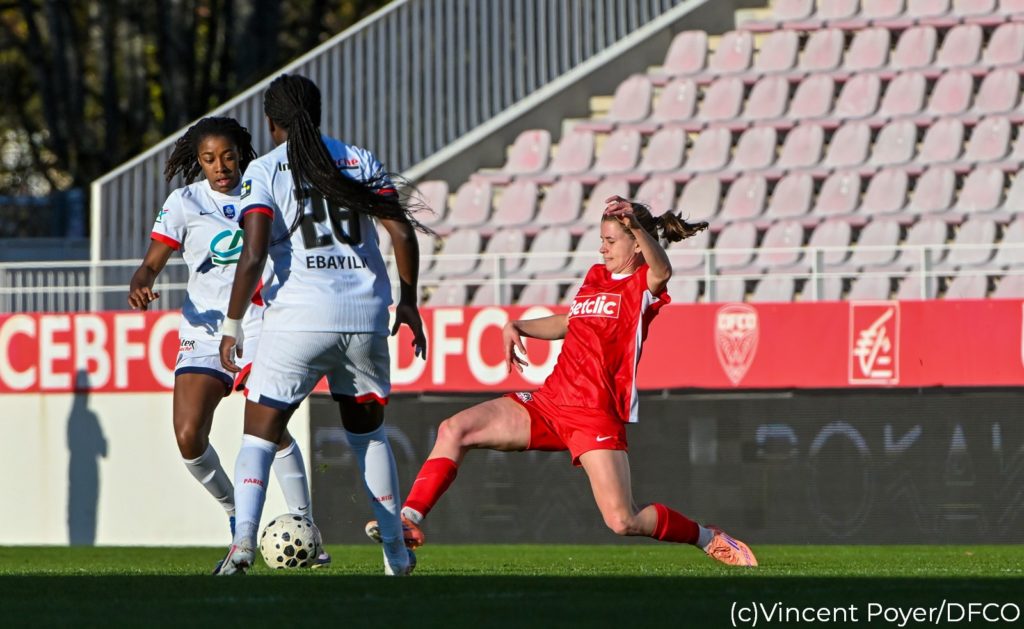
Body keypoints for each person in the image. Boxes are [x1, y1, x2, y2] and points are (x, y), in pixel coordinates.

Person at [368, 196, 757, 567]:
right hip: (550, 402)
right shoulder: (595, 276)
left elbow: (663, 271)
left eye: (610, 241)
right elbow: (570, 323)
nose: (602, 249)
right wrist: (519, 325)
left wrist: (638, 226)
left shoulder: (643, 283)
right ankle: (406, 520)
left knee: (623, 520)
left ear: (636, 243)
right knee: (455, 428)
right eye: (601, 240)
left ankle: (708, 538)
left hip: (594, 413)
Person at [213, 74, 428, 576]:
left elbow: (253, 254)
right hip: (365, 318)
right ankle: (396, 555)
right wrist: (409, 302)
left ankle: (242, 546)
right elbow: (401, 233)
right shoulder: (359, 159)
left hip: (299, 319)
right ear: (319, 113)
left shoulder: (266, 169)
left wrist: (232, 324)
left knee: (258, 438)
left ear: (272, 124)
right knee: (369, 437)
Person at [128, 116, 328, 568]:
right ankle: (237, 512)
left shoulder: (266, 188)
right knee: (188, 437)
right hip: (203, 331)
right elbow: (150, 265)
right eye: (209, 159)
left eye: (228, 157)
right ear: (198, 162)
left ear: (242, 155)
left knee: (269, 426)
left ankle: (306, 526)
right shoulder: (185, 202)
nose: (220, 167)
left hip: (260, 325)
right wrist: (140, 284)